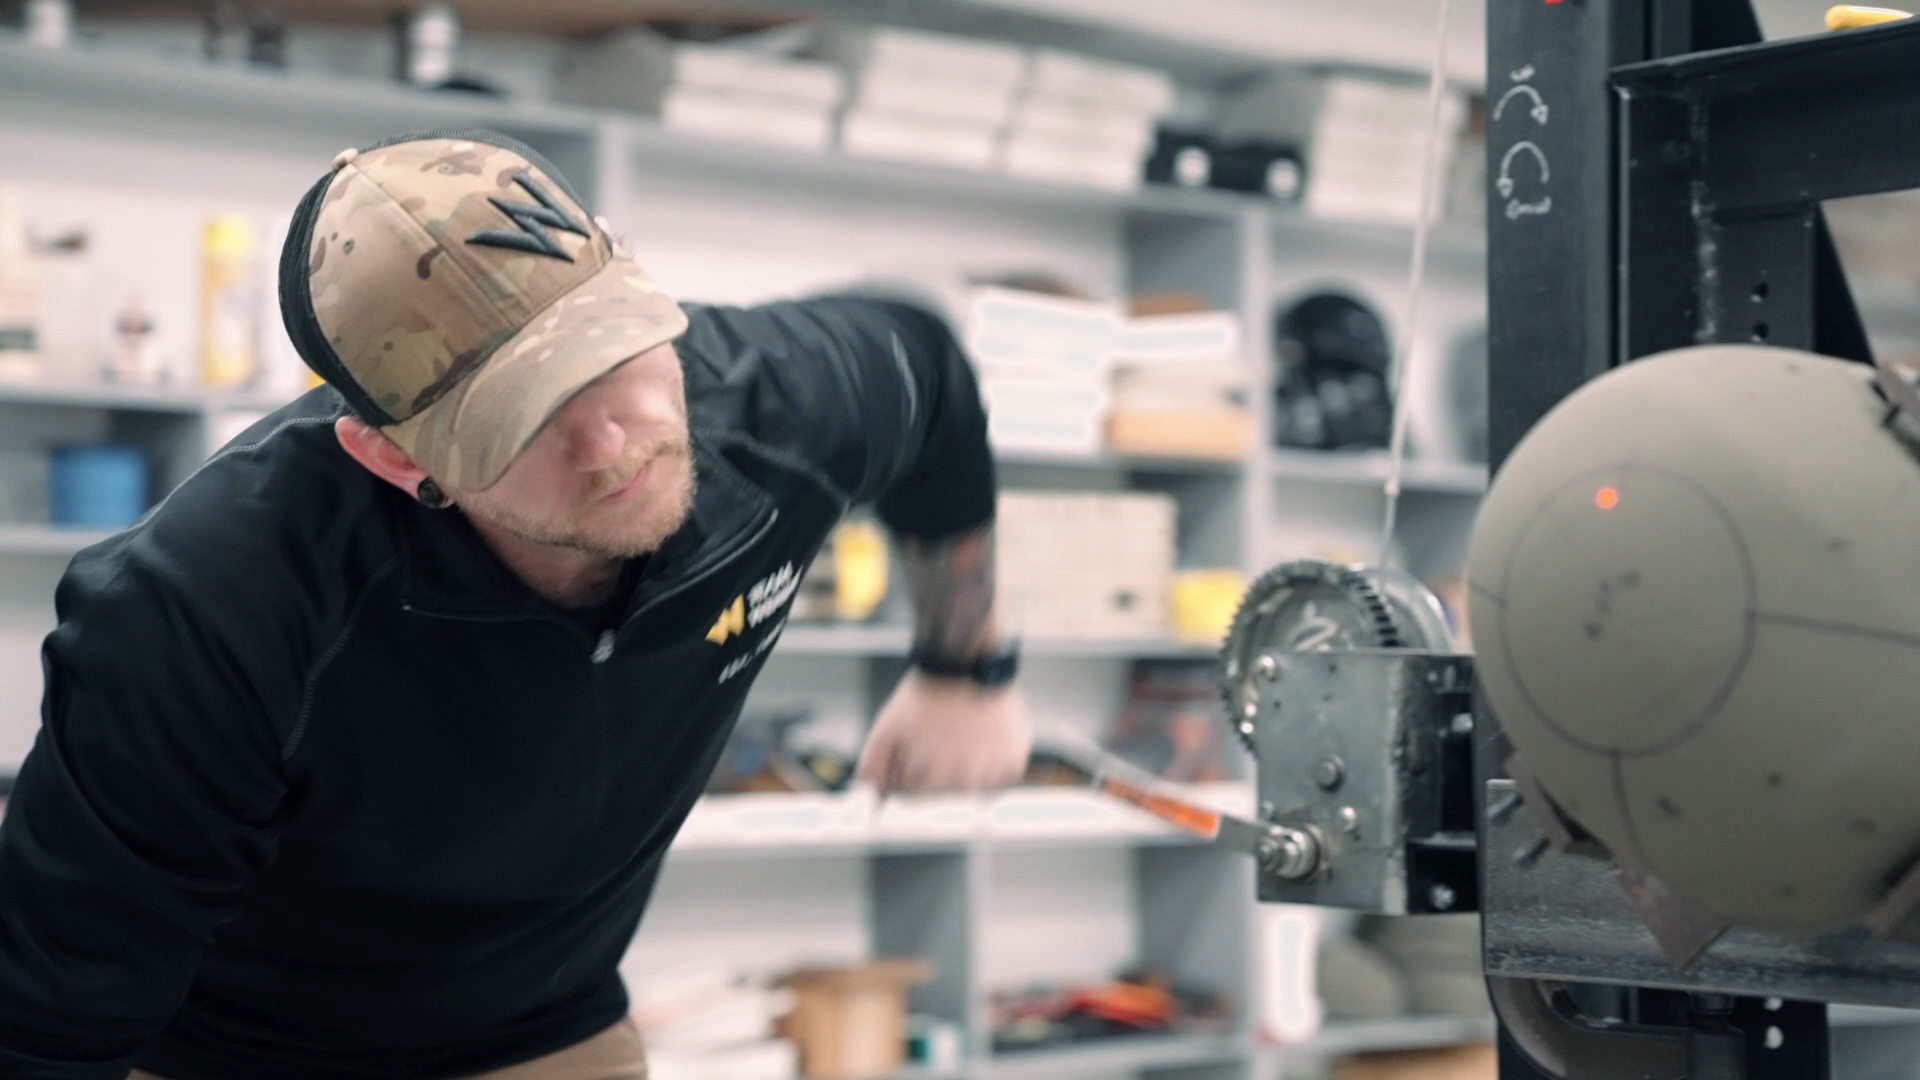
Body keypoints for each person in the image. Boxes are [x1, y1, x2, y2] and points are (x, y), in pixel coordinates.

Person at [0, 129, 1032, 1080]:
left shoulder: (778, 406)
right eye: (519, 419)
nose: (611, 444)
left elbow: (930, 372)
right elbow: (54, 1017)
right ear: (393, 457)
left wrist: (963, 663)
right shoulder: (202, 612)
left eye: (610, 352)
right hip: (242, 1054)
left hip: (551, 1025)